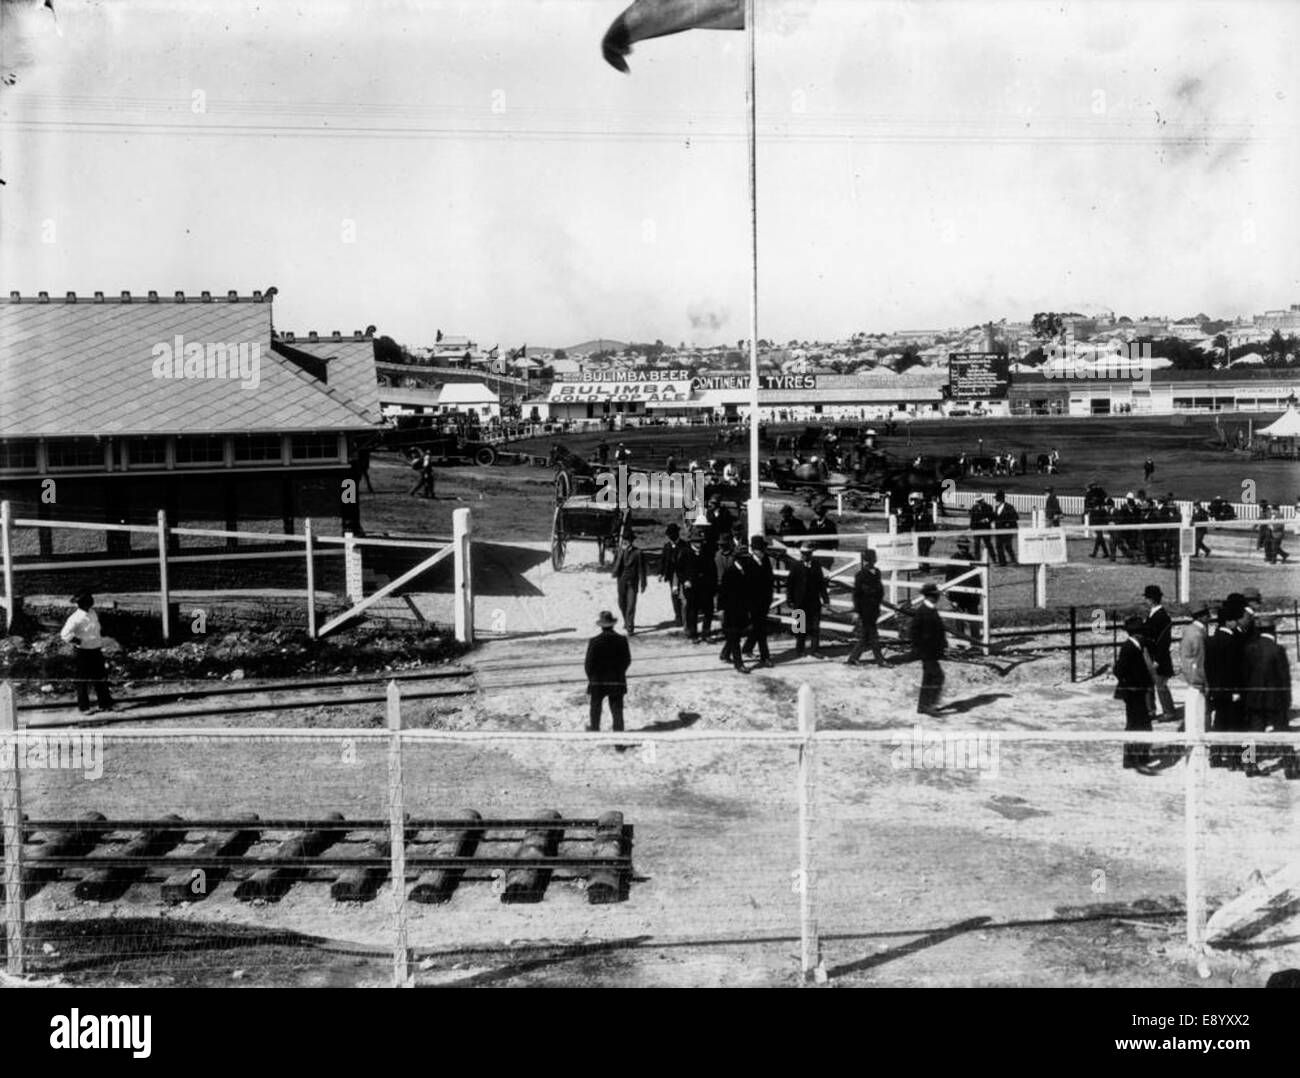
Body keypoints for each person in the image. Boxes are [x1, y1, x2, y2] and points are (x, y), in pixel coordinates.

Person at [1242, 618, 1294, 778]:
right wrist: (1287, 700)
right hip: (1275, 699)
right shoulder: (1278, 650)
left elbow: (1245, 675)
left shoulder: (1249, 649)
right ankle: (1290, 765)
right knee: (1283, 731)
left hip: (1254, 698)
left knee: (1252, 732)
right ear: (1273, 631)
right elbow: (1284, 678)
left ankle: (1248, 764)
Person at [1206, 599, 1246, 769]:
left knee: (1219, 722)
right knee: (1237, 725)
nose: (1237, 623)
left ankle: (1214, 756)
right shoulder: (1233, 642)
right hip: (1232, 691)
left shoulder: (1211, 640)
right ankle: (1236, 760)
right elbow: (1234, 670)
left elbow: (1208, 667)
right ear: (1228, 621)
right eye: (1235, 620)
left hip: (1216, 690)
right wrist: (1237, 691)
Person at [60, 592, 115, 713]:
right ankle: (84, 707)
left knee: (101, 678)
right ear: (81, 604)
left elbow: (96, 629)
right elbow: (64, 635)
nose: (90, 604)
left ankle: (105, 704)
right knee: (82, 680)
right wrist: (79, 641)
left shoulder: (93, 613)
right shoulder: (75, 618)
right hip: (83, 652)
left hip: (96, 650)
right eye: (88, 602)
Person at [1115, 615, 1156, 772]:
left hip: (1137, 692)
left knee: (1139, 724)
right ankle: (1134, 757)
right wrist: (1130, 684)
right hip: (1133, 693)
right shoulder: (1129, 648)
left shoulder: (1136, 646)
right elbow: (1118, 669)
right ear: (1136, 634)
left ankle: (1137, 756)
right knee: (1136, 725)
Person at [585, 610, 631, 732]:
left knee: (595, 708)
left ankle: (594, 731)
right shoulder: (622, 640)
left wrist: (592, 678)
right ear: (612, 624)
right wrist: (620, 674)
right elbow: (627, 660)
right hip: (616, 680)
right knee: (617, 711)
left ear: (601, 626)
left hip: (598, 681)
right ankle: (619, 739)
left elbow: (588, 664)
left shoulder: (594, 641)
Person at [786, 541, 828, 657]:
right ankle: (800, 649)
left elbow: (821, 584)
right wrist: (789, 599)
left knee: (815, 627)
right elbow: (790, 584)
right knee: (800, 628)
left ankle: (815, 650)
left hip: (814, 602)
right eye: (803, 553)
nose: (804, 556)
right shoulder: (796, 566)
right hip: (799, 602)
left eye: (807, 554)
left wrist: (825, 599)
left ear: (811, 554)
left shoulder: (816, 565)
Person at [1141, 585, 1177, 721]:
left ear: (1151, 599)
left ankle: (1169, 712)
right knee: (1148, 683)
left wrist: (1157, 659)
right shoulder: (1153, 613)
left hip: (1156, 656)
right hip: (1149, 654)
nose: (1145, 601)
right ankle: (1150, 710)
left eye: (1147, 598)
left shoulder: (1161, 616)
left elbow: (1163, 641)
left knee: (1160, 685)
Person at [911, 582, 946, 716]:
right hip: (927, 651)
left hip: (932, 651)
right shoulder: (923, 611)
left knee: (928, 678)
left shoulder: (930, 609)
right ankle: (930, 705)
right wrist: (919, 649)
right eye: (935, 596)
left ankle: (923, 706)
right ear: (929, 596)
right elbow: (914, 632)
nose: (937, 598)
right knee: (938, 676)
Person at [847, 548, 885, 666]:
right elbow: (856, 594)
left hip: (874, 608)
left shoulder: (877, 572)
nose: (874, 559)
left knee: (865, 635)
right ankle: (880, 660)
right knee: (873, 635)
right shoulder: (861, 575)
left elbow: (880, 590)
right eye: (873, 557)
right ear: (869, 559)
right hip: (865, 609)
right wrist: (857, 610)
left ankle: (853, 658)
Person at [716, 547, 752, 673]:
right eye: (745, 559)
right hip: (731, 610)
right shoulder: (730, 572)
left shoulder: (745, 571)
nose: (747, 561)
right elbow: (722, 593)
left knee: (736, 634)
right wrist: (720, 609)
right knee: (735, 635)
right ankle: (739, 664)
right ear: (739, 559)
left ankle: (725, 654)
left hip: (742, 608)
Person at [742, 535, 775, 667]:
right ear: (754, 550)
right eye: (759, 550)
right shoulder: (748, 563)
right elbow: (746, 587)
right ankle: (765, 657)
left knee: (757, 628)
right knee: (761, 630)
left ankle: (745, 648)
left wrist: (769, 598)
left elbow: (770, 580)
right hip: (753, 603)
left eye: (763, 549)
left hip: (765, 602)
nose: (762, 552)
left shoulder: (766, 560)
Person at [1180, 602, 1211, 740]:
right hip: (1198, 678)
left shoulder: (1191, 630)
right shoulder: (1198, 634)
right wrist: (1204, 681)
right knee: (1202, 711)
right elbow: (1201, 660)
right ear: (1202, 616)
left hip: (1192, 676)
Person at [679, 531, 716, 642]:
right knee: (692, 611)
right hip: (692, 587)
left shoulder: (707, 552)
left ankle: (706, 633)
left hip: (705, 586)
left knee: (708, 610)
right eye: (696, 541)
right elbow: (679, 570)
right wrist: (684, 580)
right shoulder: (685, 552)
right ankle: (693, 634)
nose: (699, 543)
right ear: (691, 542)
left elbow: (712, 569)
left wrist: (712, 583)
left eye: (700, 541)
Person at [610, 530, 647, 635]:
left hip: (632, 582)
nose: (626, 542)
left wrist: (643, 583)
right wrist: (621, 553)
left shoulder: (638, 553)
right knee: (622, 603)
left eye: (628, 541)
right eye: (625, 540)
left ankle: (630, 627)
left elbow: (642, 569)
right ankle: (626, 621)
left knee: (631, 605)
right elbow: (615, 565)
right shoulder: (619, 551)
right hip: (621, 581)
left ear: (631, 541)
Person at [660, 523, 685, 628]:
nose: (671, 537)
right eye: (669, 535)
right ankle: (678, 617)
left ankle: (684, 616)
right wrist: (661, 573)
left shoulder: (684, 545)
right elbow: (663, 561)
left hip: (683, 575)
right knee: (674, 595)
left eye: (672, 535)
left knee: (683, 596)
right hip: (672, 576)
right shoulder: (667, 546)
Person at [991, 490, 1019, 566]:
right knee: (998, 546)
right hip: (998, 530)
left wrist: (1008, 523)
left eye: (997, 499)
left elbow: (1016, 517)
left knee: (1007, 546)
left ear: (1001, 499)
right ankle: (1002, 562)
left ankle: (1013, 560)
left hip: (1007, 530)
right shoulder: (997, 508)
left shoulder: (1009, 507)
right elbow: (995, 517)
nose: (996, 501)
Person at [969, 496, 996, 563]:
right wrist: (971, 527)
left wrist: (986, 520)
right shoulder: (974, 508)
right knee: (976, 544)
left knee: (988, 544)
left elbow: (992, 517)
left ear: (983, 500)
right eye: (977, 502)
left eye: (980, 501)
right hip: (976, 529)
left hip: (985, 529)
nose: (979, 503)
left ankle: (994, 558)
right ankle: (977, 559)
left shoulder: (988, 507)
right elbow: (972, 519)